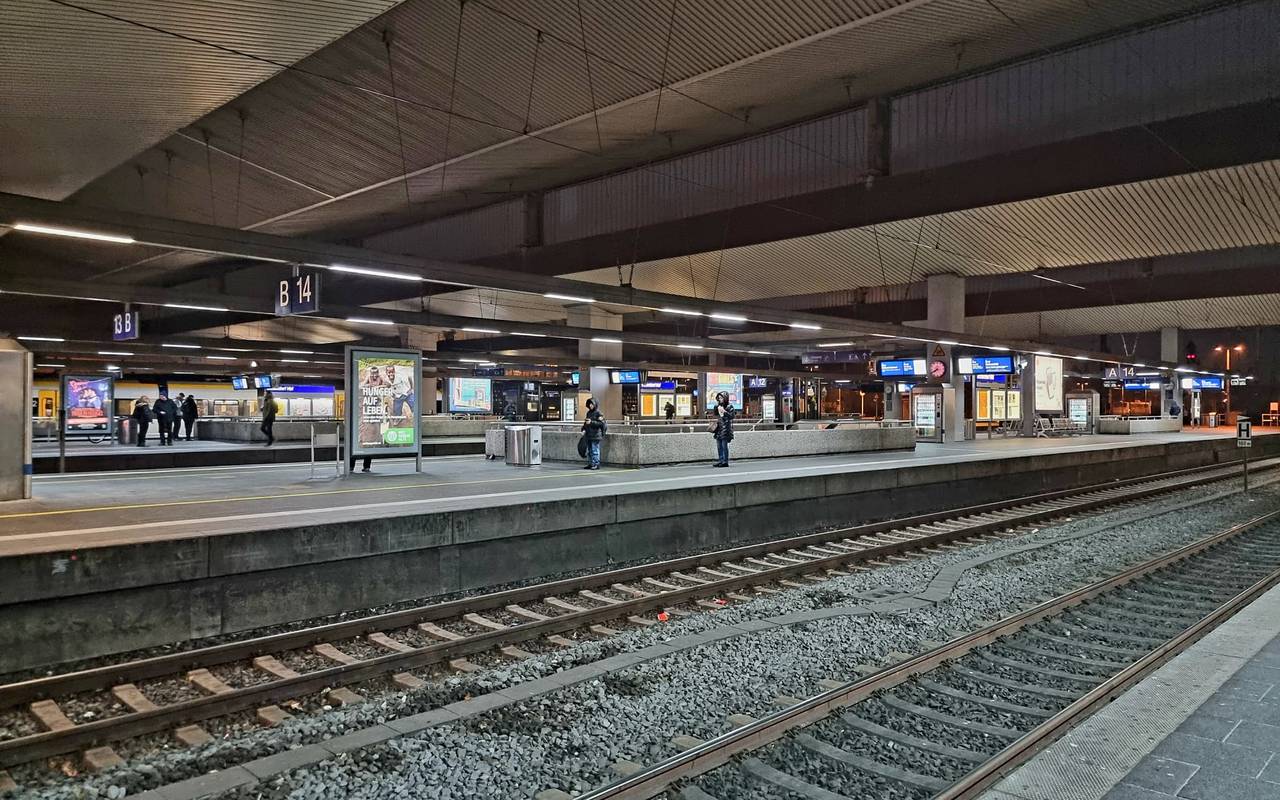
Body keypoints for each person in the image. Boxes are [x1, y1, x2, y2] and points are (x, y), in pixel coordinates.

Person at [581, 397, 607, 470]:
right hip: (589, 434)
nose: (590, 406)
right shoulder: (588, 413)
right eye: (589, 404)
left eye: (592, 404)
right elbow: (586, 423)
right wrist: (583, 429)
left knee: (595, 450)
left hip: (596, 435)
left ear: (595, 404)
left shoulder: (599, 413)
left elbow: (601, 424)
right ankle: (591, 463)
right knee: (589, 450)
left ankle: (596, 464)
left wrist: (591, 422)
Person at [712, 391, 736, 468]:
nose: (720, 399)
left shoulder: (730, 406)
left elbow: (732, 416)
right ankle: (721, 460)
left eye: (721, 398)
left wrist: (724, 412)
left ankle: (725, 461)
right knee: (719, 446)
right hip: (719, 428)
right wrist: (716, 408)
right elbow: (715, 414)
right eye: (719, 398)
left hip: (726, 428)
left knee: (724, 446)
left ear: (725, 398)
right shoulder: (719, 406)